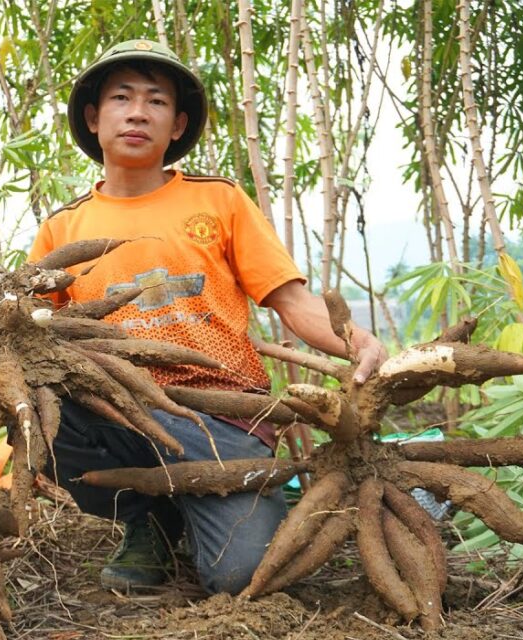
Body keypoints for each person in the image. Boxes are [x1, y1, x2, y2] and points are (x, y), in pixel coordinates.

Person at [27, 39, 388, 595]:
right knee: (38, 410)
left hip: (220, 418)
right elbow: (30, 329)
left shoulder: (219, 201)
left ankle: (200, 506)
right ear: (95, 118)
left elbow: (291, 301)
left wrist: (354, 339)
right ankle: (149, 517)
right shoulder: (63, 228)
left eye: (156, 101)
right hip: (117, 408)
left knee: (241, 575)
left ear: (177, 126)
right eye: (122, 98)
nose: (139, 112)